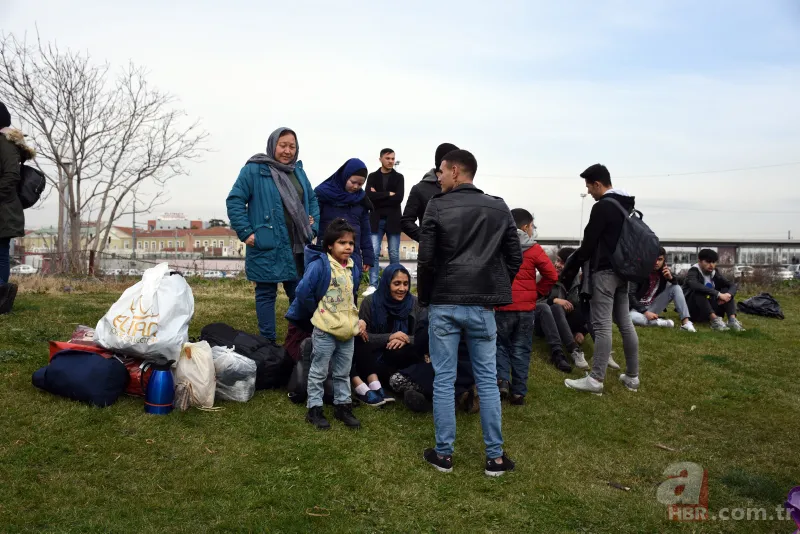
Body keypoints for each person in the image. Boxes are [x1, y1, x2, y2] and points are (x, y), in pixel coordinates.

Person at [418, 149, 521, 477]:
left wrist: (427, 298)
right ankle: (495, 458)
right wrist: (493, 287)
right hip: (482, 306)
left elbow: (425, 260)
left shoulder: (436, 205)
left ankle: (444, 455)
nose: (438, 176)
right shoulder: (499, 206)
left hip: (445, 303)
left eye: (442, 171)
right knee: (488, 380)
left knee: (444, 379)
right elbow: (514, 258)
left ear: (457, 171)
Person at [227, 127, 320, 343]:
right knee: (266, 294)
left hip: (297, 244)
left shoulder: (298, 171)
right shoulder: (254, 169)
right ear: (273, 145)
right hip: (267, 242)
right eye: (283, 145)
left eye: (292, 146)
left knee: (299, 293)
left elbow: (312, 200)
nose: (287, 151)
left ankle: (297, 341)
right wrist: (246, 232)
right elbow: (235, 200)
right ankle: (267, 344)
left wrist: (312, 226)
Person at [560, 164, 641, 396]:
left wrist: (569, 271)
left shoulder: (603, 207)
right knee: (625, 323)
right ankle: (633, 377)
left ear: (597, 184)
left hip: (604, 273)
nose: (590, 192)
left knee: (602, 325)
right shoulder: (627, 206)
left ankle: (595, 379)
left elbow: (588, 246)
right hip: (623, 272)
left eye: (589, 186)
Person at [286, 219, 367, 430]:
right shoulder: (320, 265)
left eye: (351, 243)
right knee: (319, 371)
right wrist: (318, 311)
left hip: (347, 331)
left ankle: (343, 405)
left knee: (343, 371)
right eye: (342, 242)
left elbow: (352, 296)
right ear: (330, 245)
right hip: (324, 330)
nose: (348, 247)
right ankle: (314, 408)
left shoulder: (352, 268)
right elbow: (303, 291)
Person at [495, 208, 563, 405]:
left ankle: (502, 382)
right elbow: (551, 275)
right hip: (526, 309)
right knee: (521, 348)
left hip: (502, 305)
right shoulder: (534, 249)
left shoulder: (499, 244)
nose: (533, 230)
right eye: (532, 226)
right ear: (525, 227)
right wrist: (537, 292)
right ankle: (518, 393)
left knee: (500, 345)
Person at [352, 264, 421, 406]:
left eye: (406, 284)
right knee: (358, 343)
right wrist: (389, 337)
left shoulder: (414, 303)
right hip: (376, 359)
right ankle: (386, 383)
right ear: (386, 283)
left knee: (406, 351)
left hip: (405, 355)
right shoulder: (370, 302)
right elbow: (364, 337)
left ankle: (407, 385)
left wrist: (407, 339)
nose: (402, 288)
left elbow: (424, 336)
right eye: (397, 283)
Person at [390, 308, 479, 414]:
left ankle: (454, 397)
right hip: (476, 368)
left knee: (396, 380)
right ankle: (465, 392)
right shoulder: (474, 309)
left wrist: (405, 339)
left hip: (448, 368)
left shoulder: (435, 310)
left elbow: (421, 345)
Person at [314, 158, 375, 299]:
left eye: (360, 184)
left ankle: (350, 318)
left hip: (352, 253)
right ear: (344, 176)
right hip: (327, 251)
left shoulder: (361, 200)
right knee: (327, 288)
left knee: (352, 286)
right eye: (353, 182)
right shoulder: (324, 194)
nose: (356, 187)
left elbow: (366, 231)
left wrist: (368, 257)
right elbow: (314, 221)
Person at [0, 101, 34, 315]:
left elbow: (11, 176)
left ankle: (2, 298)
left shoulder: (5, 144)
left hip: (3, 210)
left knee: (1, 253)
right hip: (4, 208)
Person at [364, 149, 404, 296]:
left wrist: (378, 195)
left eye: (393, 158)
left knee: (393, 253)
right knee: (374, 252)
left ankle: (395, 284)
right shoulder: (373, 176)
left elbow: (399, 198)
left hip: (393, 220)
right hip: (376, 219)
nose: (391, 161)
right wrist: (388, 194)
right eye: (388, 158)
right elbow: (368, 196)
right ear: (380, 159)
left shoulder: (399, 177)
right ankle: (373, 285)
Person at [400, 143, 458, 242]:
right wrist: (426, 239)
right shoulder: (420, 189)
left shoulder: (460, 186)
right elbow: (406, 221)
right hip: (433, 255)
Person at [629, 247, 696, 332]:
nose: (656, 262)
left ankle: (686, 323)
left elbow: (678, 286)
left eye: (660, 259)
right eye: (654, 259)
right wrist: (645, 312)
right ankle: (659, 322)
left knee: (676, 287)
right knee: (630, 318)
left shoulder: (663, 272)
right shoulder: (639, 271)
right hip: (635, 309)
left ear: (664, 260)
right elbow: (630, 295)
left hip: (653, 305)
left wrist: (671, 278)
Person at [682, 248, 744, 331]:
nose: (711, 265)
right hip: (693, 310)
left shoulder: (715, 272)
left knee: (726, 290)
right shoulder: (693, 272)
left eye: (714, 262)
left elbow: (732, 285)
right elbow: (694, 285)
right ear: (699, 261)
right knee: (699, 291)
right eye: (708, 262)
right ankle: (715, 321)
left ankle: (732, 320)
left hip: (709, 307)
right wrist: (718, 294)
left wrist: (728, 295)